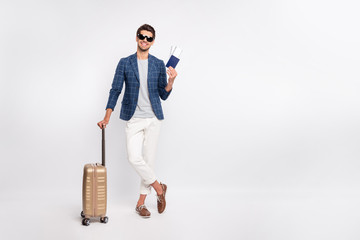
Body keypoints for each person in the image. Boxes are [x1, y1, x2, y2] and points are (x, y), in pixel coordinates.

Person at [97, 24, 178, 218]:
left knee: (148, 162)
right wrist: (107, 115)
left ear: (153, 41)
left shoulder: (158, 64)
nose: (145, 40)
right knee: (134, 158)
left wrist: (171, 81)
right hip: (133, 118)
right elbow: (115, 89)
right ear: (136, 37)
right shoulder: (125, 62)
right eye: (142, 36)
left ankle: (140, 204)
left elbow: (163, 95)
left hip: (153, 118)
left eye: (149, 38)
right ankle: (160, 189)